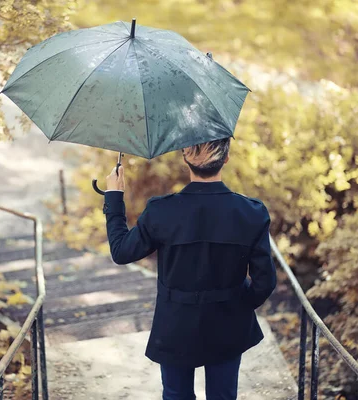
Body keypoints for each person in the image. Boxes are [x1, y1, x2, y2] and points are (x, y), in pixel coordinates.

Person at [102, 138, 277, 400]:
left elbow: (121, 251)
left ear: (185, 156)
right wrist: (238, 305)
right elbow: (265, 282)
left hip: (175, 325)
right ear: (226, 158)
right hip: (228, 323)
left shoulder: (162, 210)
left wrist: (114, 196)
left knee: (176, 396)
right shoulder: (250, 213)